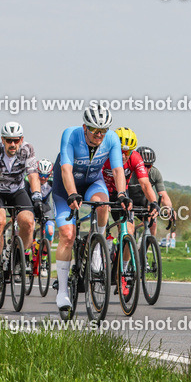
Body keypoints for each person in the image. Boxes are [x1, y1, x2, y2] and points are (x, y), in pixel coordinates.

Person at [51, 106, 128, 313]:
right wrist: (72, 194)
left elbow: (118, 169)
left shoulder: (111, 139)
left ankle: (97, 250)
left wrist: (121, 194)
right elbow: (66, 169)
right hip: (65, 186)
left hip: (94, 182)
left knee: (103, 205)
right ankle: (63, 290)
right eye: (95, 130)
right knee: (67, 235)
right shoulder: (70, 134)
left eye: (103, 130)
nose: (99, 135)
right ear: (85, 127)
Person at [0, 121, 40, 283]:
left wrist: (36, 196)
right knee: (0, 221)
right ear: (3, 140)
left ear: (21, 139)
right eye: (9, 140)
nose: (13, 144)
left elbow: (33, 174)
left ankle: (16, 260)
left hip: (17, 189)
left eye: (16, 140)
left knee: (28, 223)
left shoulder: (27, 149)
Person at [134, 146, 173, 236]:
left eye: (149, 166)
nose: (146, 169)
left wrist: (169, 208)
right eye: (144, 166)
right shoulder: (129, 171)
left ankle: (145, 248)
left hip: (144, 202)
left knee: (153, 224)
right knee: (129, 228)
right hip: (130, 200)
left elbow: (163, 195)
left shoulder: (155, 173)